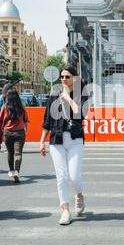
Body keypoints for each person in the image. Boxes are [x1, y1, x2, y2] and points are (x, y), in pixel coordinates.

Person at [39, 66, 88, 226]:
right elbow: (47, 119)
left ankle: (79, 195)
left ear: (75, 78)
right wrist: (41, 141)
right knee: (61, 176)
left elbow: (81, 114)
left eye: (67, 76)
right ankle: (65, 210)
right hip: (56, 140)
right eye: (62, 77)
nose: (64, 79)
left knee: (74, 176)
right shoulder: (54, 94)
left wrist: (68, 98)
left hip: (75, 140)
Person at [0, 89, 29, 183]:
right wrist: (25, 130)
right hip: (20, 133)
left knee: (10, 153)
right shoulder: (22, 107)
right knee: (18, 153)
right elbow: (26, 120)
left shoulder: (5, 107)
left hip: (8, 133)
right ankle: (17, 171)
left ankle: (11, 170)